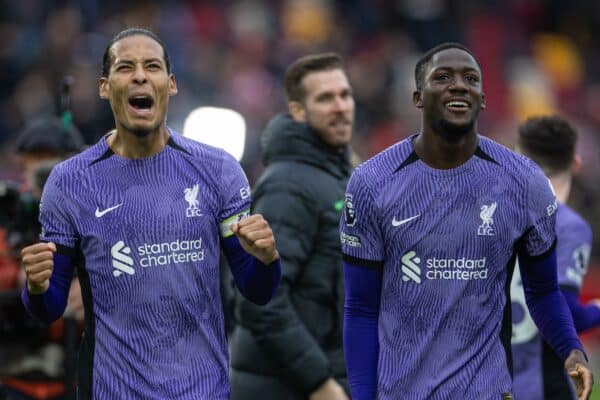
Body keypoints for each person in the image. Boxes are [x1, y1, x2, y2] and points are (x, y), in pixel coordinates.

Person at [20, 28, 282, 399]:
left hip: (203, 392)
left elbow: (257, 290)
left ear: (170, 84)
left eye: (152, 66)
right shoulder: (69, 182)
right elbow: (48, 309)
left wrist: (267, 260)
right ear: (105, 87)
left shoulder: (218, 171)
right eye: (125, 67)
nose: (140, 75)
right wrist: (36, 286)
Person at [339, 42, 594, 400]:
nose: (459, 85)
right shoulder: (372, 183)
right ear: (417, 97)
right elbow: (361, 309)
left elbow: (543, 291)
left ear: (483, 99)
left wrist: (571, 349)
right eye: (442, 77)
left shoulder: (524, 183)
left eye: (470, 78)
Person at [230, 53, 353, 400]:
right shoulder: (288, 185)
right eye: (325, 98)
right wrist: (319, 383)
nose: (341, 107)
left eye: (345, 95)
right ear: (298, 111)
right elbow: (261, 301)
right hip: (289, 388)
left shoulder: (337, 176)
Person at [511, 115, 600, 400]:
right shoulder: (569, 227)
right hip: (540, 387)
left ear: (515, 156)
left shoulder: (488, 214)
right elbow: (563, 312)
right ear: (575, 163)